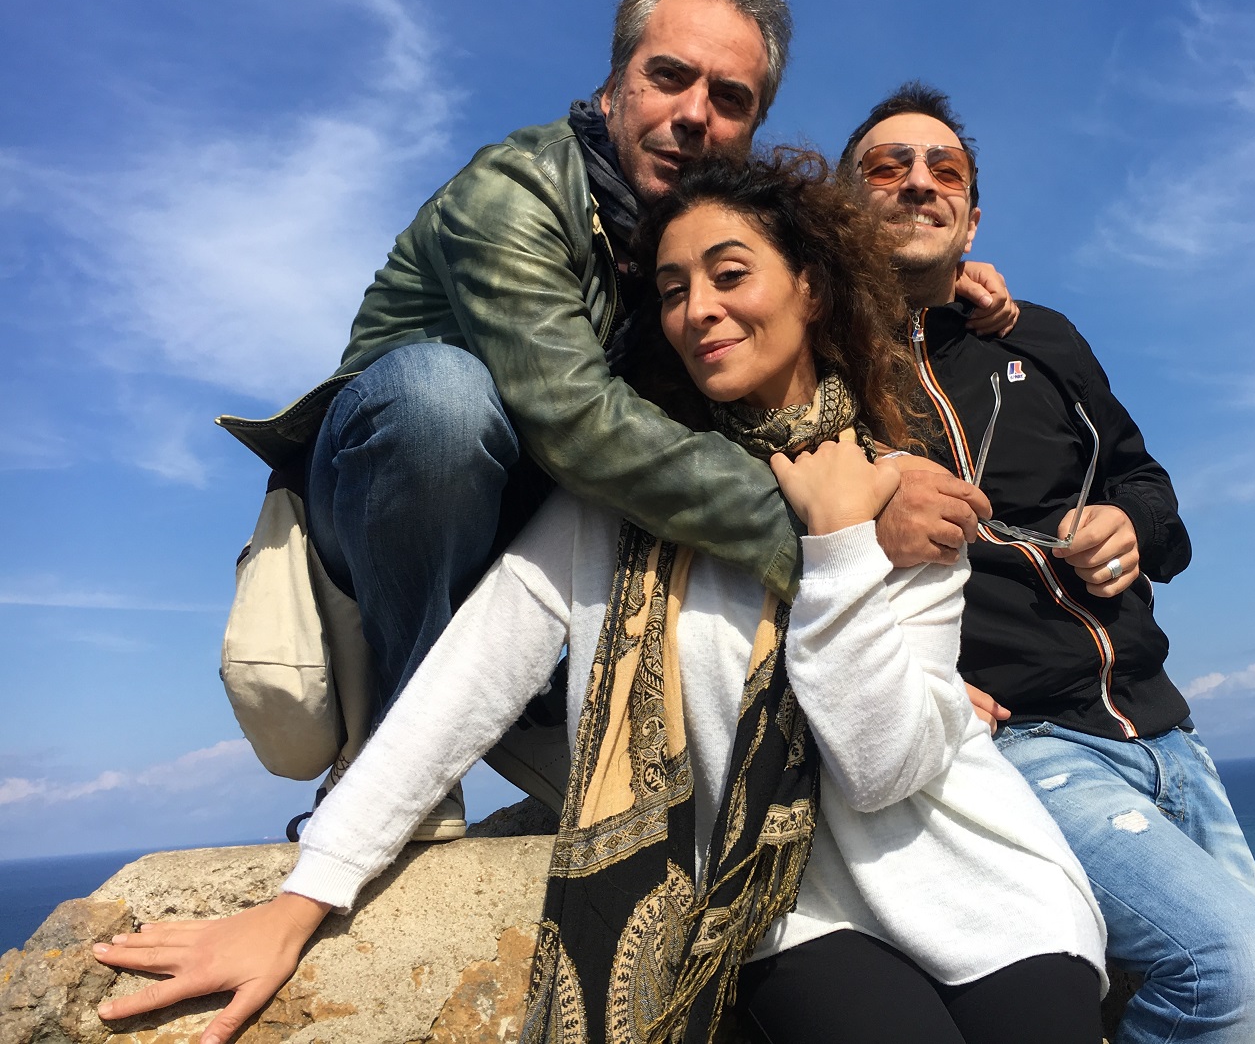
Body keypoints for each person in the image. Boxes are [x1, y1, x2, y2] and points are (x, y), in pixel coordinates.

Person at [96, 151, 1107, 1044]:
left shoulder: (905, 493)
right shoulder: (624, 507)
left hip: (975, 881)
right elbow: (467, 677)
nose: (697, 309)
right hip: (783, 907)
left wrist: (841, 545)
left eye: (729, 274)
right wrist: (302, 898)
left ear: (808, 286)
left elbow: (888, 769)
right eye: (671, 289)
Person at [216, 0, 1009, 837]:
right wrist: (838, 531)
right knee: (442, 402)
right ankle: (392, 750)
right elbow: (580, 424)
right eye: (668, 77)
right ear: (612, 87)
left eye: (730, 99)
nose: (694, 115)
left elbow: (792, 338)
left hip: (542, 529)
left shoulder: (682, 241)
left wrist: (939, 290)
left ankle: (544, 711)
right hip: (386, 510)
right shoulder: (515, 192)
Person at [839, 83, 1255, 1044]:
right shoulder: (817, 365)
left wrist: (1130, 523)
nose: (918, 182)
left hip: (1165, 731)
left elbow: (1149, 487)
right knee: (1237, 979)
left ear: (971, 217)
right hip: (1025, 739)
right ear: (841, 208)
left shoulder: (1040, 337)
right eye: (886, 166)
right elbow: (788, 555)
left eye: (944, 170)